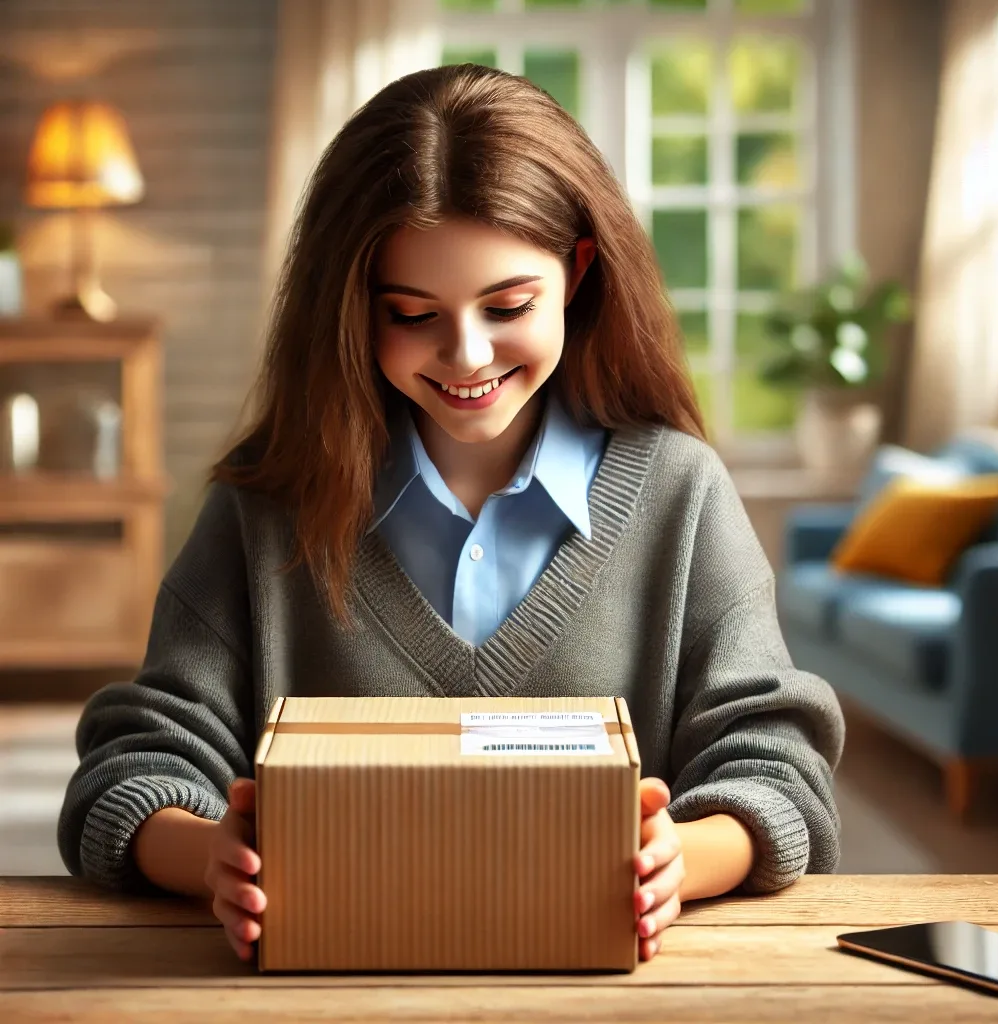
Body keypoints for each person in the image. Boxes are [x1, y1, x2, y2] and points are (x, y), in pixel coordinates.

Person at [57, 63, 844, 965]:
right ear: (353, 312)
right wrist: (209, 857)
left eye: (508, 305)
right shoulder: (262, 510)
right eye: (412, 314)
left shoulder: (681, 493)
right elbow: (132, 766)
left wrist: (681, 859)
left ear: (578, 271)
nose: (466, 356)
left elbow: (778, 765)